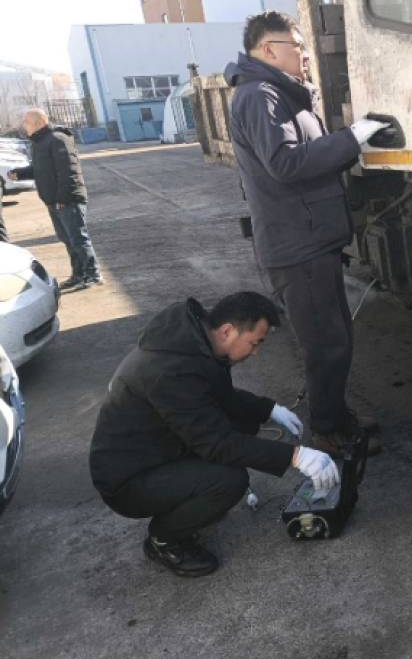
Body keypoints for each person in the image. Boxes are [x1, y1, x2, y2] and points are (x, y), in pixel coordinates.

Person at [224, 11, 387, 459]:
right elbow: (287, 163)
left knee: (335, 340)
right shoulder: (259, 96)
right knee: (325, 345)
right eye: (296, 45)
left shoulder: (281, 94)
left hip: (311, 240)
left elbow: (310, 155)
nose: (304, 53)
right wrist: (352, 138)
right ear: (268, 49)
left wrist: (352, 141)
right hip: (297, 247)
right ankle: (328, 431)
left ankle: (336, 418)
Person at [90, 292, 341, 578]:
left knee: (238, 427)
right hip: (128, 481)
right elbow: (217, 444)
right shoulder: (170, 371)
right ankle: (163, 540)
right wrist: (296, 456)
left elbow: (217, 394)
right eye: (255, 343)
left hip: (156, 451)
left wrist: (269, 409)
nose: (256, 352)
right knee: (228, 480)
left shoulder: (195, 343)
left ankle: (188, 504)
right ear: (227, 331)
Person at [8, 109, 102, 290]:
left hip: (67, 200)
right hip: (54, 201)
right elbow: (39, 169)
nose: (24, 125)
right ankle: (79, 274)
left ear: (38, 123)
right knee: (68, 239)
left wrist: (62, 199)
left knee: (78, 239)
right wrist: (19, 174)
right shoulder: (40, 142)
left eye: (26, 122)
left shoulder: (58, 139)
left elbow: (68, 172)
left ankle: (92, 274)